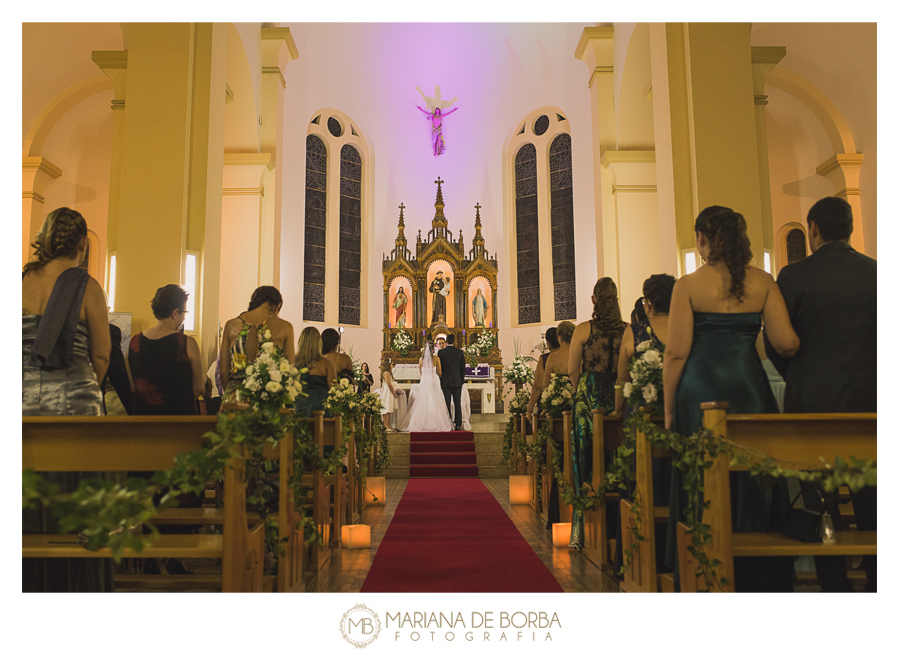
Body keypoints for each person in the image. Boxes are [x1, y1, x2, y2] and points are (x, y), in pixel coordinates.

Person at [663, 205, 799, 592]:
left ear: (703, 239)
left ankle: (702, 567)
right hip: (748, 388)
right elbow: (786, 342)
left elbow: (676, 353)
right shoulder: (763, 281)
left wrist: (670, 409)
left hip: (698, 392)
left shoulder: (687, 286)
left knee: (701, 476)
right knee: (752, 477)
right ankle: (756, 572)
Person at [764, 196, 877, 592]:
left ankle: (835, 586)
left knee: (820, 500)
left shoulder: (794, 277)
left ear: (812, 230)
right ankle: (879, 584)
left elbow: (778, 344)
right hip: (871, 407)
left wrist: (797, 376)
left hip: (812, 405)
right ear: (847, 227)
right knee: (872, 501)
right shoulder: (878, 273)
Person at [22, 207, 113, 592]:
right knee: (78, 497)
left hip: (22, 402)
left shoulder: (19, 282)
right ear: (81, 243)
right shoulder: (87, 286)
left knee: (27, 492)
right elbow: (102, 355)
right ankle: (77, 585)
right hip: (76, 404)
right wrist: (89, 384)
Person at [612, 273, 676, 576]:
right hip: (676, 418)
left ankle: (636, 559)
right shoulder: (683, 328)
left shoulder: (634, 333)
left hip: (640, 418)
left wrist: (616, 412)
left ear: (647, 303)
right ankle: (675, 559)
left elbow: (622, 382)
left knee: (638, 481)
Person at [567, 278, 628, 550]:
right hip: (616, 397)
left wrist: (581, 391)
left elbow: (572, 370)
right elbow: (626, 371)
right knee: (615, 458)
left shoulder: (583, 329)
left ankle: (580, 530)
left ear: (594, 300)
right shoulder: (628, 330)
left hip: (588, 397)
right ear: (615, 299)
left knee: (584, 459)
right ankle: (616, 528)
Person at [127, 284, 205, 415]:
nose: (184, 317)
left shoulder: (134, 342)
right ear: (175, 313)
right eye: (184, 312)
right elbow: (199, 387)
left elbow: (132, 385)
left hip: (144, 420)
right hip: (179, 420)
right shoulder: (186, 343)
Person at [220, 286, 294, 403]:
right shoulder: (285, 327)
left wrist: (231, 393)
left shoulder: (231, 325)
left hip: (235, 397)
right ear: (278, 305)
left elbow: (224, 372)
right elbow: (289, 369)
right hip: (268, 397)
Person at [400, 341, 453, 432]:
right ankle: (437, 423)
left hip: (425, 382)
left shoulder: (421, 359)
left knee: (424, 400)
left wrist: (426, 376)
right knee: (436, 401)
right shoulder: (436, 359)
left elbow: (421, 372)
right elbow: (439, 372)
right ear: (433, 349)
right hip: (434, 382)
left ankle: (422, 423)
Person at [294, 327, 336, 417]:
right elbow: (334, 390)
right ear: (318, 343)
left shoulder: (294, 362)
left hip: (299, 407)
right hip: (321, 410)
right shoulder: (326, 364)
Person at [526, 327, 558, 420]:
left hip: (547, 405)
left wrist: (529, 409)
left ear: (548, 343)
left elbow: (538, 386)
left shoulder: (545, 358)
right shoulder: (568, 356)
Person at [438, 333, 467, 431]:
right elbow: (462, 368)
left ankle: (448, 422)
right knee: (457, 402)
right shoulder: (460, 352)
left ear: (446, 342)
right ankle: (458, 423)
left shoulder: (441, 353)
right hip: (457, 381)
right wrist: (461, 380)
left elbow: (440, 368)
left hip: (445, 381)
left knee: (447, 402)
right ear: (454, 341)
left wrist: (440, 380)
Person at [378, 360, 402, 430]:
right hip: (388, 392)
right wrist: (394, 393)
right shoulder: (387, 373)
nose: (392, 366)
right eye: (392, 364)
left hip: (388, 391)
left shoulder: (387, 373)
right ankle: (386, 426)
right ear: (388, 365)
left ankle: (387, 426)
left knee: (388, 409)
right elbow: (389, 385)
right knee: (387, 409)